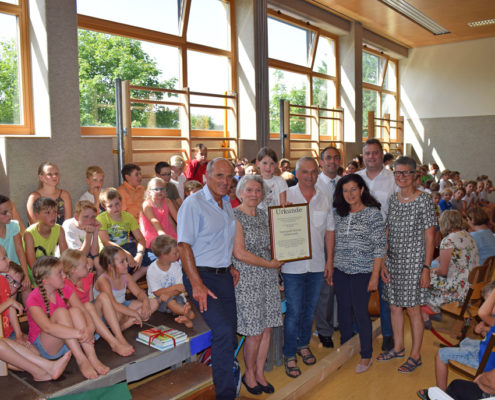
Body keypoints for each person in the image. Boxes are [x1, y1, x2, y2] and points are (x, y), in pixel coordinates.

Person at [177, 158, 238, 400]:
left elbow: (220, 238)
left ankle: (220, 374)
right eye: (220, 176)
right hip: (200, 276)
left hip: (223, 275)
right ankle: (226, 395)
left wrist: (230, 265)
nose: (225, 181)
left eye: (229, 177)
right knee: (222, 331)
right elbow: (183, 246)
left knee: (231, 331)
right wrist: (197, 284)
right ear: (206, 177)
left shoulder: (225, 203)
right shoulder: (193, 204)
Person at [380, 156, 436, 374]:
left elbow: (430, 236)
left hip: (414, 263)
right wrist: (383, 261)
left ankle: (416, 355)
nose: (400, 177)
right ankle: (398, 347)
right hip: (393, 261)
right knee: (394, 306)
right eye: (397, 173)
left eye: (405, 172)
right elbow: (387, 231)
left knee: (413, 310)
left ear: (415, 175)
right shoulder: (393, 200)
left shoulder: (424, 200)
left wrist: (426, 267)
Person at [282, 156, 334, 377]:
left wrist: (330, 260)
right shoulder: (286, 196)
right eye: (305, 172)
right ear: (296, 173)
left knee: (309, 309)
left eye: (314, 171)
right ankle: (289, 353)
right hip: (292, 267)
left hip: (316, 265)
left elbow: (330, 230)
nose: (310, 176)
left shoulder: (325, 198)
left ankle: (303, 344)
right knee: (293, 311)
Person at [232, 175, 283, 394]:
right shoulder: (234, 217)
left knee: (268, 328)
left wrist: (279, 260)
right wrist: (270, 264)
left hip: (269, 277)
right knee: (254, 331)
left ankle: (260, 372)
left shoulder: (265, 215)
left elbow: (275, 244)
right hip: (248, 279)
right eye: (249, 190)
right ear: (240, 192)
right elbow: (239, 253)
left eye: (258, 191)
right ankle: (249, 374)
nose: (254, 194)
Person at [331, 174, 386, 373]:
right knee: (344, 311)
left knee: (361, 313)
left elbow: (380, 247)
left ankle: (366, 355)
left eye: (353, 189)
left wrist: (374, 275)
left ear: (362, 190)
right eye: (345, 190)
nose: (350, 194)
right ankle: (346, 347)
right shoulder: (339, 214)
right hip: (341, 271)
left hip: (362, 272)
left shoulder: (373, 214)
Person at [26, 256, 108, 379]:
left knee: (74, 311)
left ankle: (92, 357)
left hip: (67, 342)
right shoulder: (33, 298)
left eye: (63, 272)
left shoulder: (65, 288)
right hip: (46, 347)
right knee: (61, 313)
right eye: (59, 273)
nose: (64, 276)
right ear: (46, 280)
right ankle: (81, 359)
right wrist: (79, 333)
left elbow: (83, 311)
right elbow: (47, 328)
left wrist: (90, 328)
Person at [417, 282, 495, 399]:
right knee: (465, 342)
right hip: (486, 351)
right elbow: (490, 335)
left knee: (441, 354)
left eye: (489, 304)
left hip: (484, 361)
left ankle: (440, 395)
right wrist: (484, 329)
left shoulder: (489, 316)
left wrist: (485, 326)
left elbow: (482, 313)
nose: (486, 306)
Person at [357, 138, 396, 351]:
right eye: (367, 153)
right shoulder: (355, 179)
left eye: (375, 153)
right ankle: (360, 331)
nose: (371, 157)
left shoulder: (393, 179)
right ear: (363, 156)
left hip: (386, 241)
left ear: (382, 155)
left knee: (384, 289)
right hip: (360, 244)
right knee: (360, 290)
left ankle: (388, 333)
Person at [61, 249, 134, 357]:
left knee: (102, 297)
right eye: (85, 265)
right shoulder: (65, 285)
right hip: (78, 321)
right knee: (88, 306)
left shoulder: (89, 277)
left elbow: (91, 299)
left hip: (91, 314)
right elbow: (79, 309)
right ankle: (113, 342)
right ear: (73, 270)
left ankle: (119, 337)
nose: (89, 267)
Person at [423, 210, 479, 326]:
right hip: (471, 287)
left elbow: (443, 271)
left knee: (422, 279)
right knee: (429, 276)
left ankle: (426, 314)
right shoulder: (468, 235)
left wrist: (431, 270)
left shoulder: (448, 241)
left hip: (456, 291)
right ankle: (433, 310)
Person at [314, 146, 342, 348]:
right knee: (326, 288)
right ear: (321, 162)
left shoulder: (345, 183)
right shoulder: (312, 184)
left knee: (341, 287)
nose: (332, 161)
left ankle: (338, 322)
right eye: (328, 158)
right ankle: (324, 330)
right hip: (321, 242)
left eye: (336, 158)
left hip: (345, 241)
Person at [97, 188, 155, 281]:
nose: (115, 208)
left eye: (117, 204)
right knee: (121, 264)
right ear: (104, 207)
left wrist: (139, 255)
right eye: (110, 206)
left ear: (121, 201)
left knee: (155, 259)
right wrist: (125, 254)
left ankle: (131, 280)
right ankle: (126, 282)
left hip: (128, 247)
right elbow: (106, 242)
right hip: (110, 251)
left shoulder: (128, 217)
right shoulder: (101, 219)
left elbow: (140, 239)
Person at [94, 246, 157, 331]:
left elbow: (138, 292)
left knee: (153, 303)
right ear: (110, 267)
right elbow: (113, 304)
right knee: (119, 316)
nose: (127, 264)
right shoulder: (103, 280)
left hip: (122, 305)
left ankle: (126, 323)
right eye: (122, 262)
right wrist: (134, 313)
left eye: (126, 260)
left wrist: (145, 301)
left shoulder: (126, 276)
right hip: (109, 310)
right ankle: (130, 320)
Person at [147, 235, 195, 328]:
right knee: (169, 303)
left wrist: (167, 295)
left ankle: (186, 317)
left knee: (175, 301)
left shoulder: (176, 266)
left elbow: (180, 288)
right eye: (175, 252)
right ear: (164, 256)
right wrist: (173, 288)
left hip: (175, 296)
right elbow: (157, 292)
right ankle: (187, 314)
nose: (178, 253)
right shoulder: (152, 270)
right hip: (158, 299)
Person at [24, 197, 68, 284]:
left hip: (50, 268)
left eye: (55, 212)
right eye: (47, 212)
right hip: (33, 272)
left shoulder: (59, 229)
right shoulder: (29, 234)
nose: (53, 216)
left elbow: (65, 255)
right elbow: (32, 264)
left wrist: (64, 271)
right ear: (37, 215)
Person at [0, 195, 29, 293]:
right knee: (12, 282)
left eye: (10, 210)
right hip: (2, 270)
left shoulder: (13, 226)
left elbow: (20, 250)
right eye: (4, 213)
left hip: (16, 268)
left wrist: (25, 274)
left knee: (26, 284)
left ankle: (28, 307)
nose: (10, 214)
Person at [62, 201, 101, 274]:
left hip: (85, 254)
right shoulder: (69, 225)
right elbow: (79, 255)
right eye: (86, 217)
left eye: (93, 217)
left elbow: (94, 253)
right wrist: (89, 234)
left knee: (97, 260)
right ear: (76, 217)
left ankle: (98, 283)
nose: (90, 220)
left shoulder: (92, 224)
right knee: (88, 262)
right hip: (71, 257)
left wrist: (96, 231)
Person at [139, 177, 178, 248]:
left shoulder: (167, 201)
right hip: (152, 235)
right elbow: (154, 221)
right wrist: (163, 236)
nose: (160, 191)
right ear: (149, 192)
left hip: (168, 232)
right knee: (167, 247)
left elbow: (177, 218)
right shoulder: (147, 204)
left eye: (162, 189)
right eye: (156, 189)